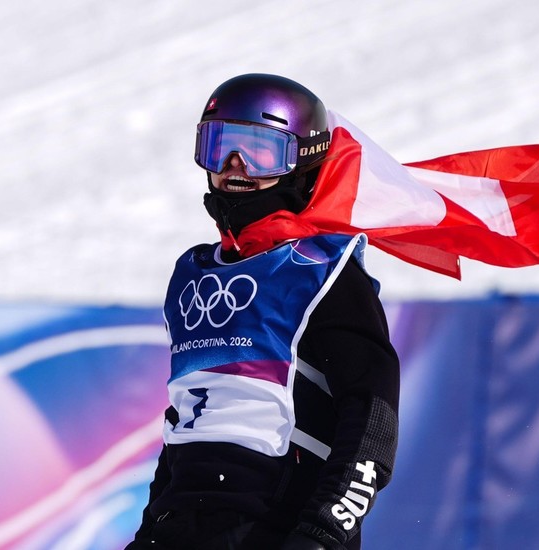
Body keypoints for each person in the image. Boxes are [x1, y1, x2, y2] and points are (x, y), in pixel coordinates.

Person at [127, 73, 400, 550]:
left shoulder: (323, 273)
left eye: (261, 150)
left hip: (278, 526)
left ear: (304, 160)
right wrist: (150, 530)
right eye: (220, 146)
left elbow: (372, 412)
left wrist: (325, 531)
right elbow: (189, 422)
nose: (236, 165)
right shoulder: (192, 274)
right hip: (183, 529)